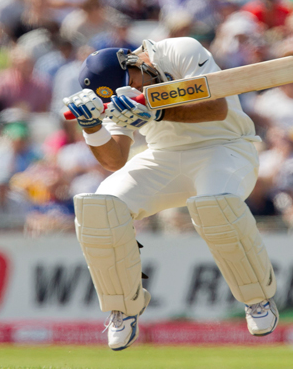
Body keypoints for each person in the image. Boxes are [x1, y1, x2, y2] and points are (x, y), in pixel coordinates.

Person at [62, 39, 278, 350]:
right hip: (164, 157)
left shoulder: (180, 50)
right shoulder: (113, 91)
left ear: (134, 62)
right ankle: (123, 307)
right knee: (100, 206)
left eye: (132, 83)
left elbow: (217, 108)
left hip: (226, 148)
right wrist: (91, 126)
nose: (134, 89)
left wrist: (156, 112)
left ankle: (258, 298)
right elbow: (115, 159)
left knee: (214, 206)